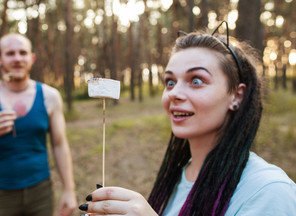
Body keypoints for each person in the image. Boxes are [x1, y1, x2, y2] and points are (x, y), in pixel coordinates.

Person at [78, 23, 296, 215]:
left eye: (196, 80)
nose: (173, 93)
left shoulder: (269, 191)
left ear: (236, 95)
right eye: (170, 82)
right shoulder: (178, 179)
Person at [0, 33, 77, 216]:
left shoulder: (49, 96)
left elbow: (59, 144)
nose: (17, 59)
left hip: (41, 192)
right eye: (10, 53)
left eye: (22, 53)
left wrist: (69, 189)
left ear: (32, 58)